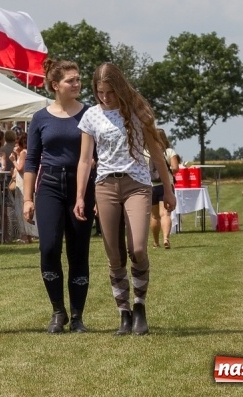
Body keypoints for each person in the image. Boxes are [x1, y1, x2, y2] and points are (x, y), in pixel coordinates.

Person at [74, 63, 175, 337]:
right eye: (100, 92)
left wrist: (168, 190)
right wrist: (80, 196)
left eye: (110, 92)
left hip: (137, 184)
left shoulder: (138, 112)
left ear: (119, 88)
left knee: (138, 248)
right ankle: (124, 313)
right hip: (105, 185)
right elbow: (85, 160)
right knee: (114, 254)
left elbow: (156, 154)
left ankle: (140, 306)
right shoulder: (91, 117)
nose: (105, 98)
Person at [23, 59, 95, 334]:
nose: (77, 84)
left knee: (79, 252)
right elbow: (31, 160)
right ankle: (58, 311)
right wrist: (28, 199)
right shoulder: (40, 118)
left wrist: (95, 196)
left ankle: (77, 316)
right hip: (50, 185)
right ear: (55, 85)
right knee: (49, 248)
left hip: (81, 187)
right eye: (70, 80)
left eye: (78, 79)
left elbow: (95, 157)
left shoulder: (90, 114)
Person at [149, 129, 180, 249]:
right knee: (165, 214)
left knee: (155, 216)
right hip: (166, 185)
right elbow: (176, 168)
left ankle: (156, 243)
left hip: (151, 186)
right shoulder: (169, 151)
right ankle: (166, 238)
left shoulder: (147, 151)